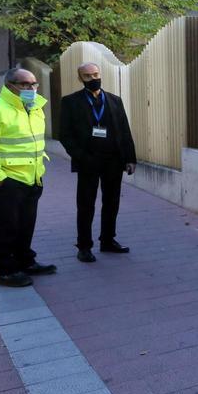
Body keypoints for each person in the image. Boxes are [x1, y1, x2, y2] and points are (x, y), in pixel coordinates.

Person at [0, 68, 56, 287]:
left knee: (26, 224)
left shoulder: (35, 108)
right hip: (7, 180)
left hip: (33, 177)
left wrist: (39, 173)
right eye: (25, 84)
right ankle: (5, 271)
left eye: (34, 84)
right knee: (5, 227)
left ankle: (25, 261)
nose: (32, 89)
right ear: (10, 86)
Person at [58, 62, 136, 263]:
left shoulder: (115, 100)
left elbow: (125, 131)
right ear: (80, 79)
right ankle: (84, 246)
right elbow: (65, 135)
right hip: (88, 161)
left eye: (95, 74)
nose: (93, 79)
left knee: (111, 203)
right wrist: (82, 157)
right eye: (87, 76)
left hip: (113, 161)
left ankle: (108, 240)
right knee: (86, 205)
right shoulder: (70, 102)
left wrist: (130, 158)